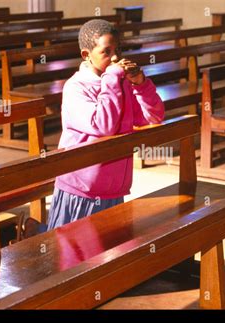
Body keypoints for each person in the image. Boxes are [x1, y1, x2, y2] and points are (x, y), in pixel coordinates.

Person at [23, 19, 165, 235]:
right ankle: (34, 233)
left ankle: (35, 230)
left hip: (113, 187)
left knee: (106, 255)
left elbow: (153, 117)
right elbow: (103, 125)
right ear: (86, 55)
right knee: (68, 255)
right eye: (106, 52)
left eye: (118, 49)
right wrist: (112, 79)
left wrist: (140, 83)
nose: (115, 57)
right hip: (81, 188)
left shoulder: (120, 83)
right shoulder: (75, 88)